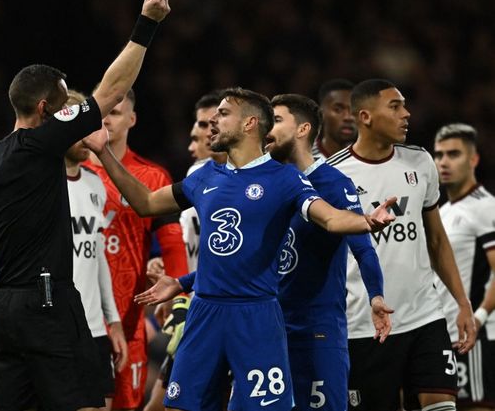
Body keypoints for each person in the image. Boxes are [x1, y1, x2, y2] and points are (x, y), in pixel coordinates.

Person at [87, 87, 396, 411]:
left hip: (256, 316)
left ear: (250, 123)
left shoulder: (285, 179)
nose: (212, 124)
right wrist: (104, 152)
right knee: (178, 407)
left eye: (222, 114)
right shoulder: (205, 176)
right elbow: (146, 202)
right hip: (204, 313)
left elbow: (331, 219)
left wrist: (366, 221)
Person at [0, 0, 171, 411]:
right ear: (48, 109)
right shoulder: (44, 143)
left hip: (5, 309)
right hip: (50, 301)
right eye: (66, 105)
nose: (73, 113)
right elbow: (111, 90)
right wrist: (147, 24)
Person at [326, 79, 477, 411]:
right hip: (363, 325)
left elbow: (436, 239)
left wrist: (462, 303)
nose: (406, 114)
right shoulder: (331, 174)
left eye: (404, 105)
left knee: (442, 405)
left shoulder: (420, 162)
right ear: (365, 117)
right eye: (394, 107)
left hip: (425, 317)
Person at [266, 94, 393, 411]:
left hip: (316, 333)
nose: (267, 128)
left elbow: (363, 249)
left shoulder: (333, 183)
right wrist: (186, 282)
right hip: (268, 330)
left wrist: (376, 296)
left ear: (302, 129)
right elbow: (250, 260)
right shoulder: (270, 185)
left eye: (277, 120)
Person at [84, 88, 189, 411]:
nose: (105, 119)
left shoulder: (152, 177)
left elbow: (172, 248)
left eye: (114, 113)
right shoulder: (66, 172)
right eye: (100, 111)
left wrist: (179, 302)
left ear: (132, 119)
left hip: (128, 323)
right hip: (76, 319)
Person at [143, 90, 228, 411]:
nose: (198, 141)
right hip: (194, 308)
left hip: (221, 311)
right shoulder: (197, 177)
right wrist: (167, 271)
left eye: (209, 125)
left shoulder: (240, 182)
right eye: (198, 129)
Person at [66, 89, 129, 411]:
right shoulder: (39, 185)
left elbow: (98, 254)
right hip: (54, 330)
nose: (86, 134)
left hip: (94, 330)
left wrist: (113, 321)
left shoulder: (94, 185)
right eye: (77, 125)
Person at [433, 123, 495, 410]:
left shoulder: (486, 208)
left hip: (481, 336)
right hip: (450, 335)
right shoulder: (442, 212)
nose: (444, 162)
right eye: (439, 154)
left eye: (453, 154)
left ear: (474, 159)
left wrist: (480, 317)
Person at [312, 79, 356, 159]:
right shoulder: (302, 161)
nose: (348, 117)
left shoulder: (371, 158)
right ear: (321, 113)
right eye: (338, 110)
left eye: (353, 110)